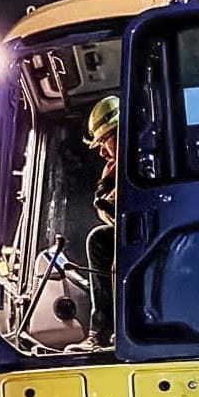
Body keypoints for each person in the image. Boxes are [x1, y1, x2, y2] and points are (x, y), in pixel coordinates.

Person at [84, 94, 120, 346]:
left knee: (122, 253)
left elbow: (116, 207)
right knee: (99, 240)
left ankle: (113, 330)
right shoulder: (118, 167)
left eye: (104, 141)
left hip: (157, 233)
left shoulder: (141, 159)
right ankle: (100, 332)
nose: (102, 151)